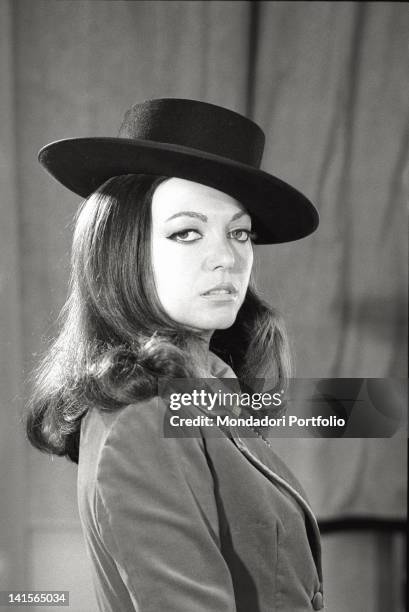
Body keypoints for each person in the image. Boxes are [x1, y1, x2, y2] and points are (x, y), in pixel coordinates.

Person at [26, 98, 324, 611]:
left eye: (240, 232)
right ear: (124, 250)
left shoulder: (206, 390)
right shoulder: (143, 420)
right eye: (186, 232)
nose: (228, 258)